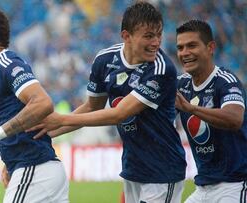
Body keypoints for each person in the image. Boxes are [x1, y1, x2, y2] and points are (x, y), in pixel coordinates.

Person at [30, 2, 186, 203]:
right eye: (148, 36)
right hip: (133, 169)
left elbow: (119, 114)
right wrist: (44, 133)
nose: (156, 42)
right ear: (126, 36)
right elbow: (91, 108)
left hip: (163, 171)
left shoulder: (161, 69)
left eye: (159, 34)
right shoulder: (105, 60)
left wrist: (60, 119)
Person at [0, 7, 68, 203]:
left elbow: (42, 102)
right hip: (34, 169)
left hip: (35, 169)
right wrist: (9, 162)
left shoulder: (6, 62)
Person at [175, 19, 247, 203]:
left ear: (210, 47)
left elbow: (234, 118)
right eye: (180, 47)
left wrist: (191, 108)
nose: (185, 53)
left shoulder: (225, 81)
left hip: (234, 184)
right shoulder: (181, 84)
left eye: (192, 45)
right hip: (203, 188)